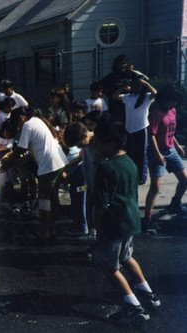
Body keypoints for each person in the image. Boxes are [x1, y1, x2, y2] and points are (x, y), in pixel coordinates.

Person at [92, 121, 160, 325]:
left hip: (113, 224)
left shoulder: (105, 168)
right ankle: (148, 294)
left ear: (110, 144)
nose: (96, 146)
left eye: (99, 143)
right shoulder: (130, 162)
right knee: (127, 257)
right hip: (130, 220)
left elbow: (101, 204)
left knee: (109, 266)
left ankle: (134, 307)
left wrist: (97, 228)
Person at [1, 108, 68, 242]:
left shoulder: (27, 124)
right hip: (59, 162)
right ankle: (52, 229)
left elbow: (21, 149)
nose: (18, 127)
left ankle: (44, 231)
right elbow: (32, 152)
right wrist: (17, 161)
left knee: (43, 198)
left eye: (16, 124)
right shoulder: (37, 121)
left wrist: (9, 162)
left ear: (21, 118)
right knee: (52, 197)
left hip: (49, 165)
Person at [143, 84, 187, 235]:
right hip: (158, 151)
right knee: (155, 187)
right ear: (164, 99)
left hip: (170, 150)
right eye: (171, 100)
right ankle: (147, 220)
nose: (174, 104)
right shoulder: (156, 113)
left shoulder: (172, 111)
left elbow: (170, 131)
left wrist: (177, 146)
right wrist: (158, 154)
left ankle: (175, 203)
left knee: (185, 179)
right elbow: (152, 135)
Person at [113, 77, 157, 184]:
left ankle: (142, 177)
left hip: (141, 128)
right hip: (129, 129)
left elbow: (155, 93)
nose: (135, 87)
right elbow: (115, 96)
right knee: (130, 153)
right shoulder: (128, 96)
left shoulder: (146, 97)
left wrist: (145, 83)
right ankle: (132, 175)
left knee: (142, 154)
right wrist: (124, 86)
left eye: (138, 85)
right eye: (134, 85)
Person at [101, 54, 141, 123]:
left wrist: (131, 89)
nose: (122, 66)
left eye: (124, 63)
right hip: (115, 107)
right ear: (116, 65)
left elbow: (140, 86)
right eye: (120, 63)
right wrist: (111, 95)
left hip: (129, 106)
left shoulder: (131, 75)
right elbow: (104, 88)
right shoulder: (110, 77)